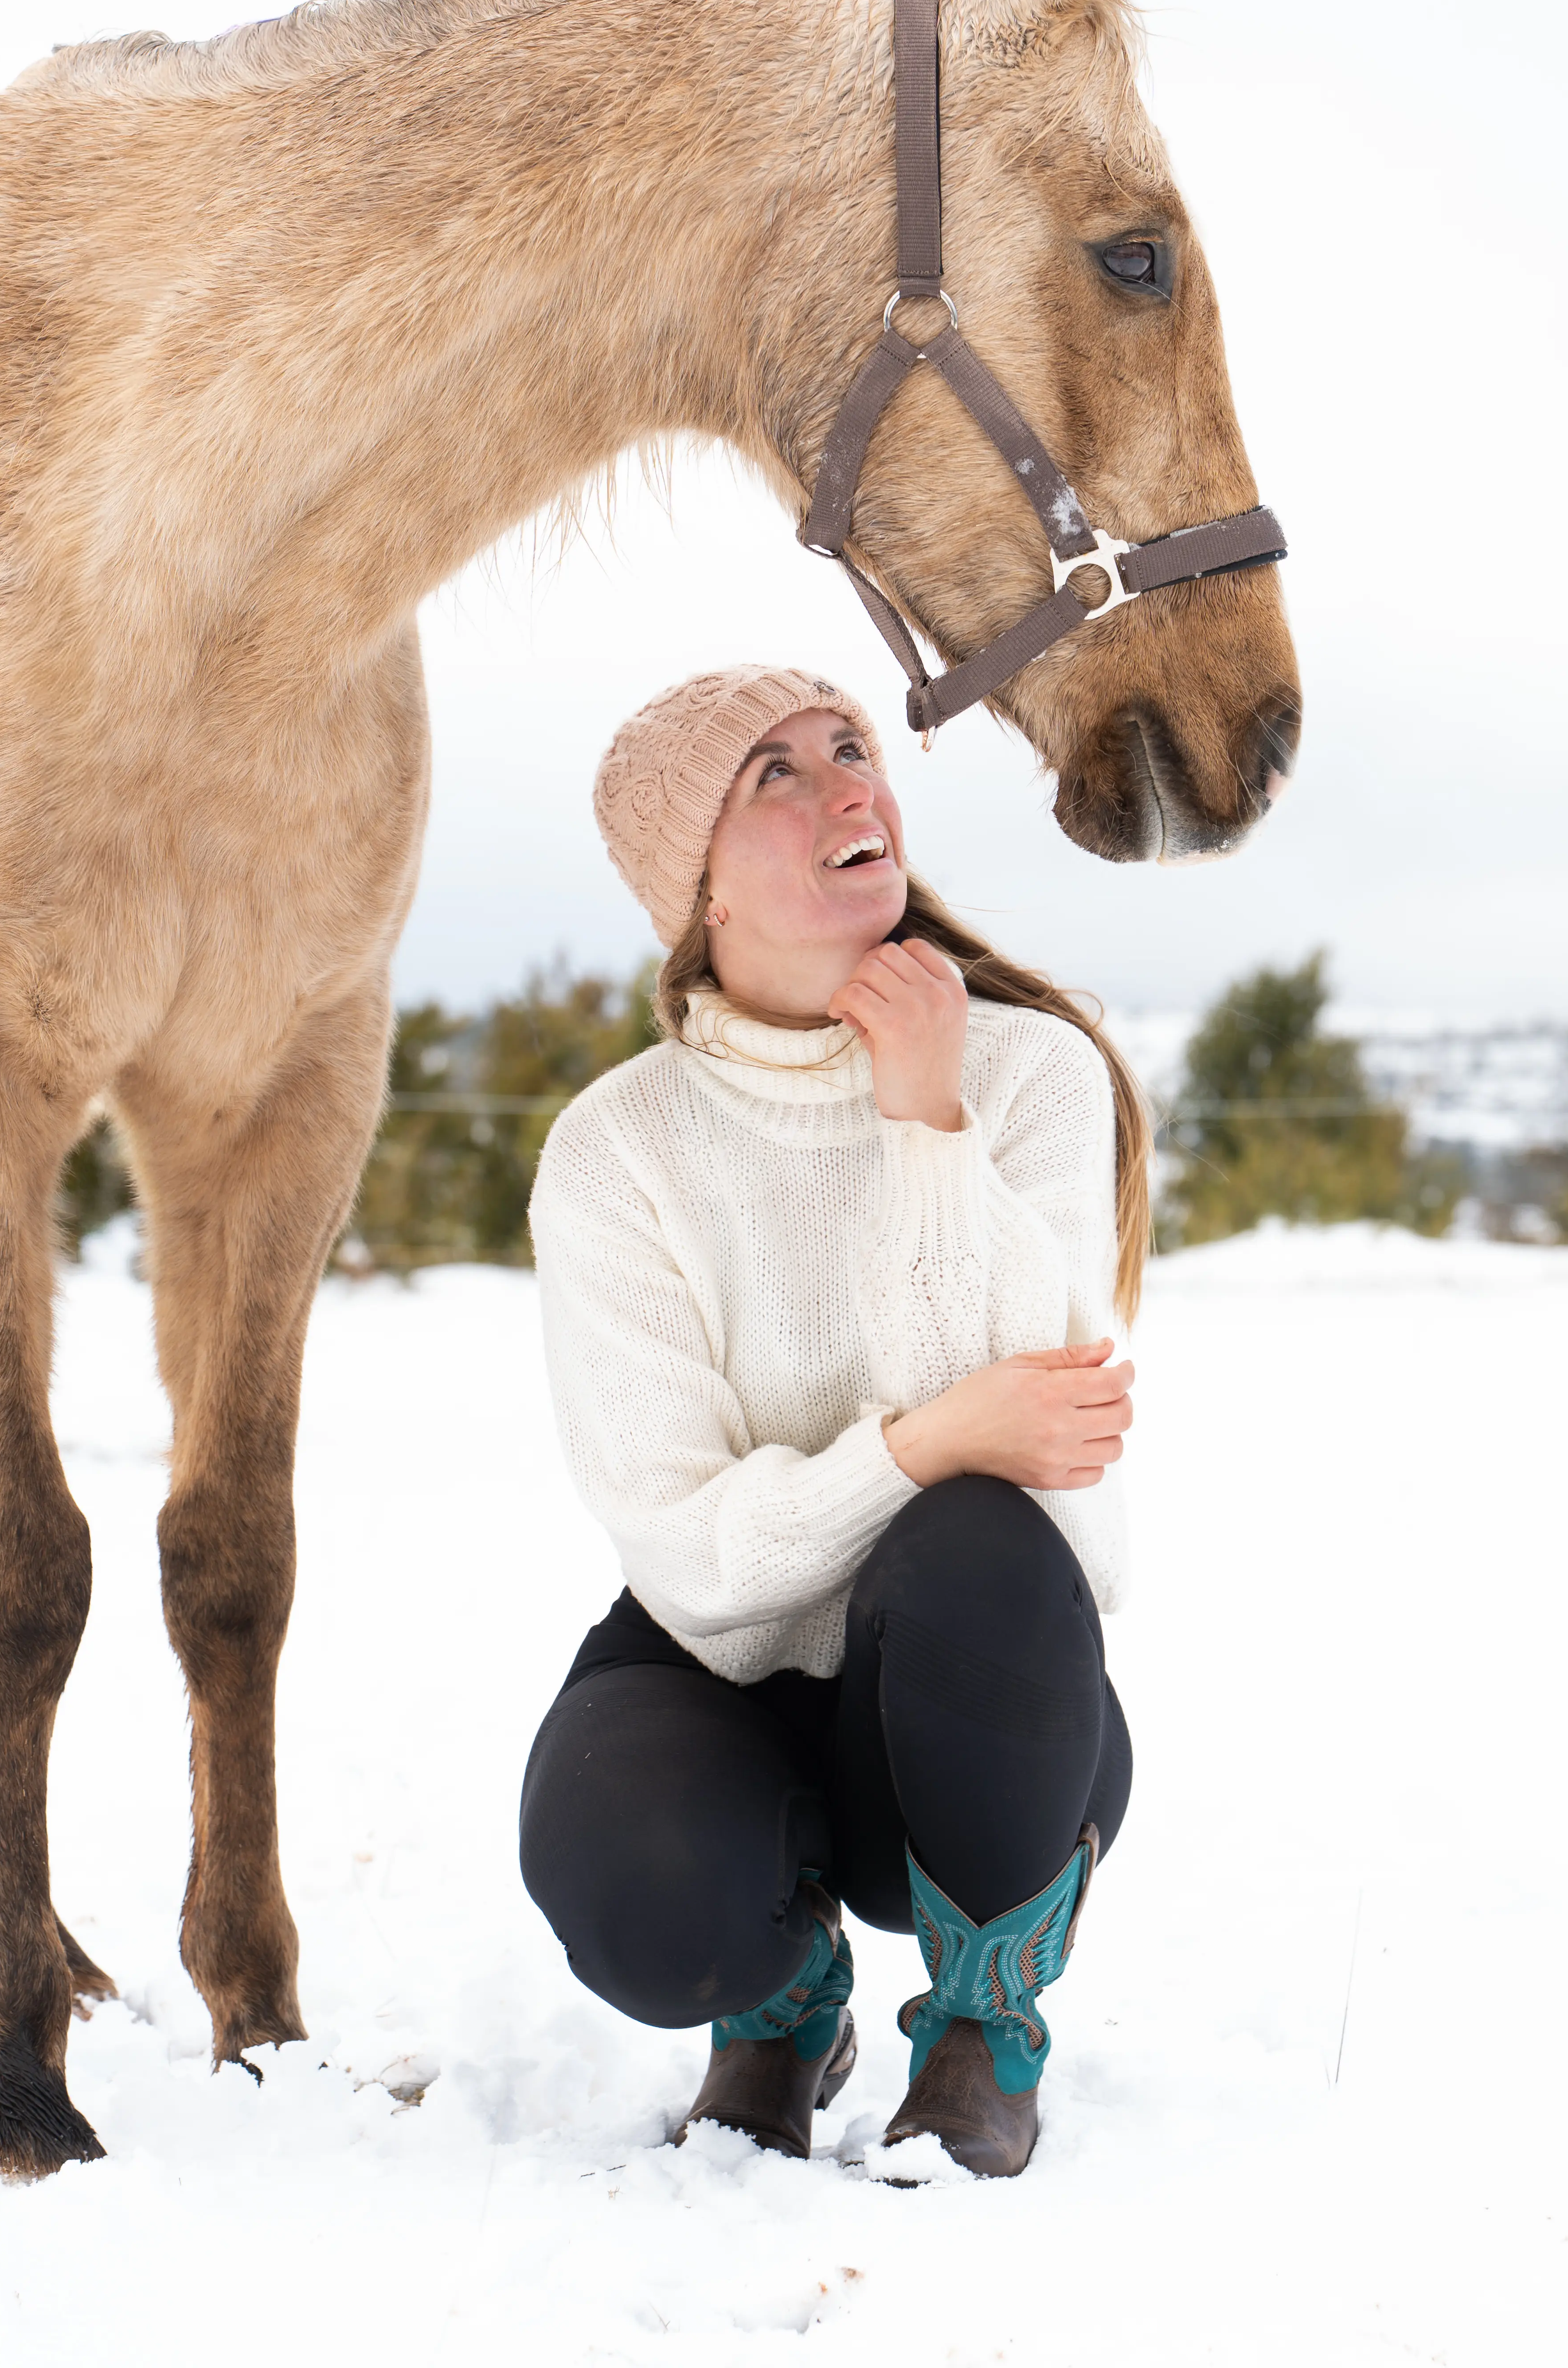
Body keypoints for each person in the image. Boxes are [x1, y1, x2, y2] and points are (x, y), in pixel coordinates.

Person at [516, 665, 1147, 2180]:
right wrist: (925, 1442)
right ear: (701, 893)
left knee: (979, 1545)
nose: (846, 789)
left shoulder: (1030, 1075)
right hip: (719, 1657)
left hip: (981, 1695)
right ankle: (789, 2011)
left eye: (851, 750)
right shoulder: (617, 1152)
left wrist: (926, 1117)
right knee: (625, 1871)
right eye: (775, 777)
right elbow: (699, 1556)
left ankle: (987, 2030)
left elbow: (1041, 1480)